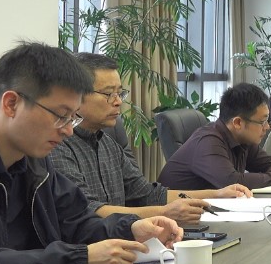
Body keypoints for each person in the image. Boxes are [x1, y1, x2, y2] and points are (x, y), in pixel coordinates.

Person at [0, 42, 181, 264]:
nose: (68, 130)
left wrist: (132, 229)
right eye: (60, 116)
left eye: (73, 118)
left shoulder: (35, 160)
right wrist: (79, 259)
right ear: (11, 104)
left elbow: (78, 222)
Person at [48, 53, 249, 223]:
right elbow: (88, 210)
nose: (118, 102)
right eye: (109, 94)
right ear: (75, 96)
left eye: (120, 93)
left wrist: (218, 194)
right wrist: (164, 213)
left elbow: (149, 194)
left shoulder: (108, 144)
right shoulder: (57, 146)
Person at [158, 82, 271, 191]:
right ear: (238, 123)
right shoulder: (208, 141)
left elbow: (269, 164)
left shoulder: (243, 139)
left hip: (210, 210)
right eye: (262, 122)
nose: (267, 127)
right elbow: (232, 182)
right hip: (175, 216)